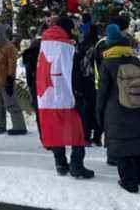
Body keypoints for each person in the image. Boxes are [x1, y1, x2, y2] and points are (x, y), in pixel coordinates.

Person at [97, 24, 140, 193]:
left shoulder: (107, 63)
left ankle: (129, 182)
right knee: (139, 146)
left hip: (115, 112)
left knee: (122, 149)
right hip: (135, 109)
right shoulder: (134, 60)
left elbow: (102, 93)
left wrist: (99, 114)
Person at [38, 17, 95, 179]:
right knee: (78, 129)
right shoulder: (66, 46)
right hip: (66, 94)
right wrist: (78, 94)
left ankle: (60, 163)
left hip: (48, 95)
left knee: (56, 128)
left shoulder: (45, 42)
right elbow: (72, 73)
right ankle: (77, 165)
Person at [0, 23, 27, 135]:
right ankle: (0, 125)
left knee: (11, 103)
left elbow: (12, 63)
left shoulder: (9, 47)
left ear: (0, 33)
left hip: (6, 80)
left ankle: (19, 126)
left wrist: (10, 78)